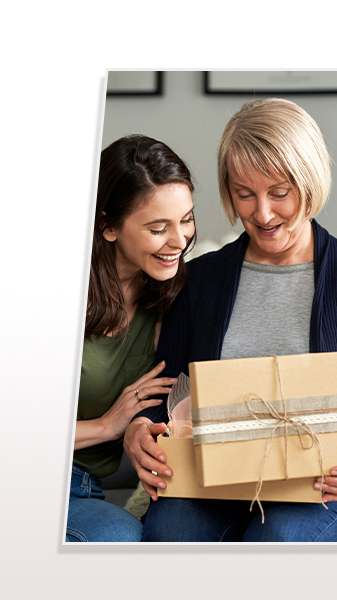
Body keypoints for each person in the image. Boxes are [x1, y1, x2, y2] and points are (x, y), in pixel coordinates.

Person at [125, 98, 337, 542]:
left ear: (309, 183)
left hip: (325, 490)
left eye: (279, 193)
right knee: (171, 531)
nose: (262, 214)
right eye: (244, 194)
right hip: (210, 488)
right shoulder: (201, 279)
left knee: (280, 544)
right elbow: (164, 387)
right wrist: (139, 428)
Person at [68, 135, 195, 542]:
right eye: (159, 228)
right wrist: (107, 426)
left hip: (82, 488)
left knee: (128, 537)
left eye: (187, 220)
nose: (179, 241)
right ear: (107, 226)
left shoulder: (168, 297)